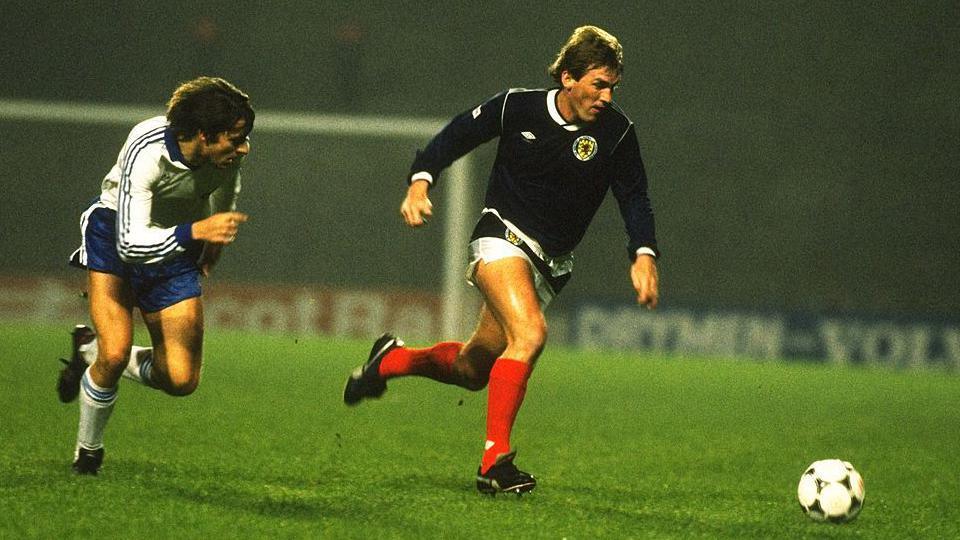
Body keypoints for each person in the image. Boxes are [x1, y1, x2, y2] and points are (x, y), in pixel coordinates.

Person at [343, 25, 660, 495]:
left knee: (474, 370)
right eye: (598, 84)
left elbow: (635, 198)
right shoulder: (519, 106)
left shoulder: (617, 133)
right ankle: (495, 461)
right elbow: (457, 135)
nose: (607, 96)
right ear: (568, 78)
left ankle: (389, 363)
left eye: (613, 86)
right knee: (530, 334)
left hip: (551, 262)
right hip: (502, 237)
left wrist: (643, 254)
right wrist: (420, 179)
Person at [56, 76, 255, 475]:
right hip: (115, 234)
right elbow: (131, 243)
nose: (244, 147)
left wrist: (214, 232)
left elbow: (227, 184)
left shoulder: (227, 154)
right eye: (235, 139)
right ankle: (87, 454)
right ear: (203, 135)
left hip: (177, 241)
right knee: (115, 353)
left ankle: (86, 351)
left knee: (180, 379)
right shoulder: (146, 149)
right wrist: (196, 232)